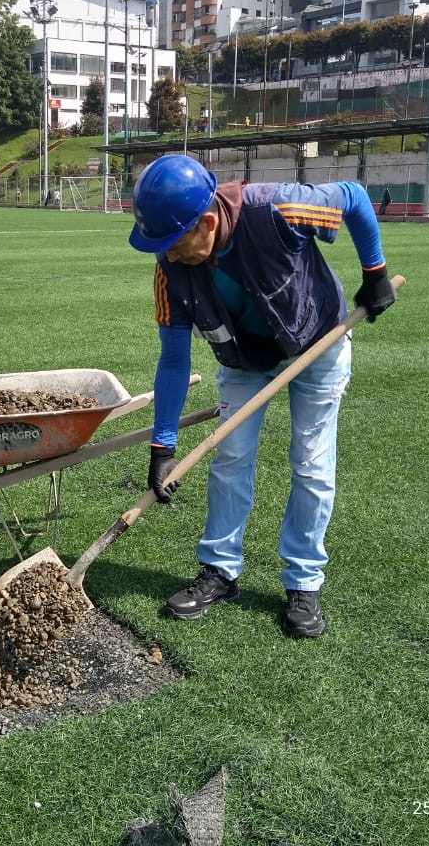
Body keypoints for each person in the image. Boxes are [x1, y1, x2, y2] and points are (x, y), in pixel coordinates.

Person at [127, 154, 395, 638]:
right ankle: (220, 570)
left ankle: (304, 582)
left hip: (319, 343)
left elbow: (354, 197)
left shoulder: (278, 209)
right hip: (244, 360)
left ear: (209, 223)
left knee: (311, 464)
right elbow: (174, 360)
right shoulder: (169, 270)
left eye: (175, 244)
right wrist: (162, 446)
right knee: (230, 458)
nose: (168, 257)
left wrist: (374, 270)